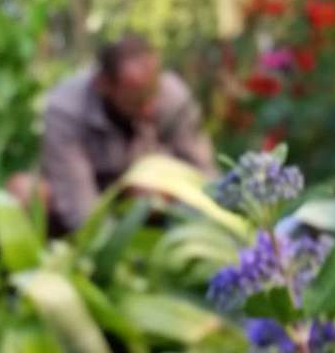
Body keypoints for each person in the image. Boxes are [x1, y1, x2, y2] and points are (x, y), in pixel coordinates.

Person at [38, 35, 217, 235]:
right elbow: (78, 201)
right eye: (137, 100)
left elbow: (204, 177)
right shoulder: (66, 108)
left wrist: (169, 194)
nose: (150, 108)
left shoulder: (174, 96)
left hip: (156, 203)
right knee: (28, 191)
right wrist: (112, 250)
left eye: (153, 92)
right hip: (92, 201)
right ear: (104, 85)